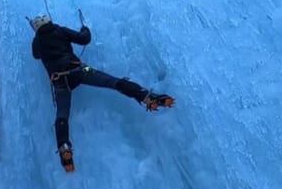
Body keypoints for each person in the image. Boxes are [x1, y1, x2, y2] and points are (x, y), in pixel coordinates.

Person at [30, 14, 174, 172]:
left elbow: (36, 55)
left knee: (62, 113)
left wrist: (39, 40)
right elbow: (84, 39)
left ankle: (64, 146)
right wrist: (85, 28)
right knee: (111, 81)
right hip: (79, 69)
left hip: (59, 81)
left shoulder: (37, 42)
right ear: (49, 21)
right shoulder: (59, 30)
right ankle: (146, 96)